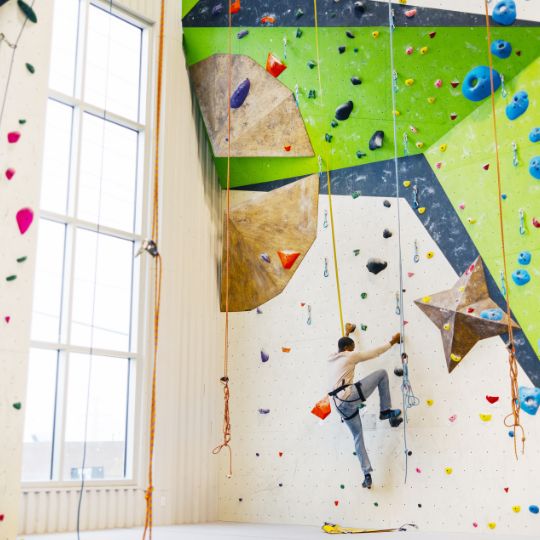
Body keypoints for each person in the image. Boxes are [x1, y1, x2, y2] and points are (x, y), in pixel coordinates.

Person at [328, 325, 403, 489]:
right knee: (382, 374)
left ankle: (366, 475)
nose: (355, 350)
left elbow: (343, 347)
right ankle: (385, 411)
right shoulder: (349, 356)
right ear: (348, 348)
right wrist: (392, 342)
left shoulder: (334, 358)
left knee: (357, 437)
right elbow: (374, 353)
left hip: (339, 406)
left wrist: (347, 333)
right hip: (348, 396)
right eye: (352, 347)